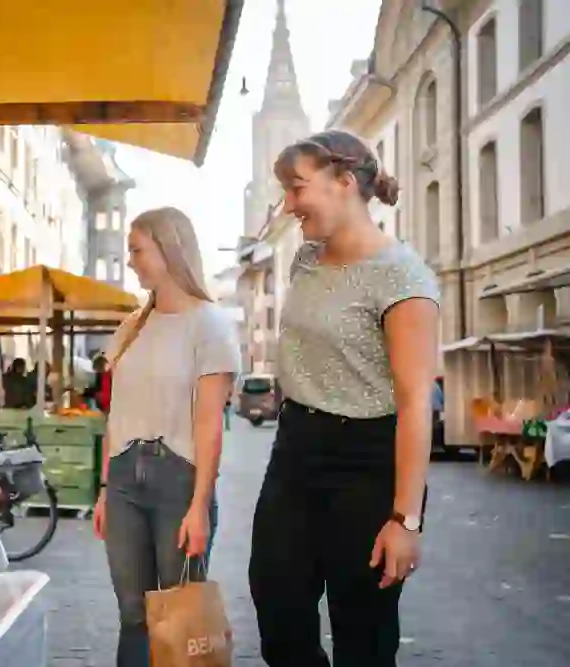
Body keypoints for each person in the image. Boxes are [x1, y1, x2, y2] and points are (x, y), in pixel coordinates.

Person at [248, 130, 439, 667]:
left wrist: (406, 521)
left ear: (345, 182)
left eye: (297, 188)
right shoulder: (305, 259)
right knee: (278, 608)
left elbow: (416, 404)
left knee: (363, 636)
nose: (289, 205)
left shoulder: (403, 277)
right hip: (294, 450)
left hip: (367, 463)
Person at [91, 207, 239, 667]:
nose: (130, 261)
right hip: (123, 480)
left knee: (178, 617)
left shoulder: (209, 324)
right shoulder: (131, 327)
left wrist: (200, 506)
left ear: (168, 248)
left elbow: (209, 425)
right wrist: (104, 489)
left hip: (179, 480)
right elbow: (115, 416)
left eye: (137, 250)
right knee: (132, 614)